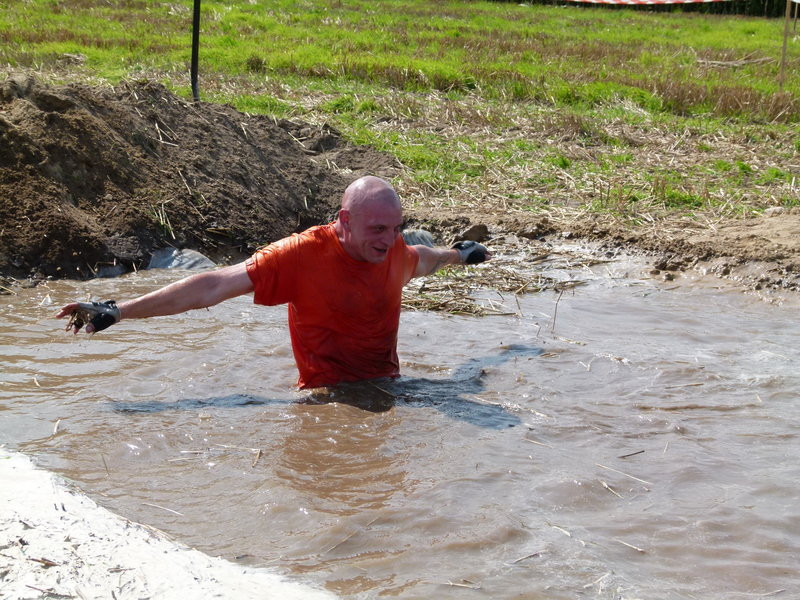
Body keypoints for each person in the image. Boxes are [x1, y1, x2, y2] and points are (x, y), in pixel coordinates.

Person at [57, 176, 490, 389]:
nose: (388, 239)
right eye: (378, 229)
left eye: (395, 228)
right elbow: (212, 286)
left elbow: (425, 259)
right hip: (325, 398)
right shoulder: (300, 256)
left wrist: (462, 254)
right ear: (345, 220)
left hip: (389, 386)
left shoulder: (393, 250)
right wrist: (119, 310)